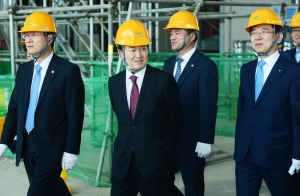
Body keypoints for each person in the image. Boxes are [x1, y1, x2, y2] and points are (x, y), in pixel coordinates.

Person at [0, 11, 85, 196]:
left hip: (52, 148)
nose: (28, 40)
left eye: (34, 34)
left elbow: (75, 115)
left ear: (50, 37)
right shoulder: (24, 71)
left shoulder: (68, 71)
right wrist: (4, 142)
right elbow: (15, 110)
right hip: (27, 145)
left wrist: (71, 150)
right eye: (26, 35)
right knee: (54, 190)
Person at [108, 19, 183, 196]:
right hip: (123, 164)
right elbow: (125, 120)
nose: (139, 55)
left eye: (143, 48)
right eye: (132, 50)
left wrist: (161, 148)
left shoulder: (163, 81)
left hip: (155, 164)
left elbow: (176, 121)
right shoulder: (114, 83)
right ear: (121, 52)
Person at [234, 8, 300, 196]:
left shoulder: (293, 72)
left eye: (264, 31)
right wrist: (239, 146)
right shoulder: (246, 69)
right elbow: (244, 111)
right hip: (245, 155)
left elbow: (297, 118)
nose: (257, 37)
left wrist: (297, 154)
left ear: (279, 37)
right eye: (254, 32)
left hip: (278, 155)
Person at [163, 10, 219, 196]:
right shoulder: (168, 64)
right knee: (160, 181)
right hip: (168, 138)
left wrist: (205, 139)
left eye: (177, 32)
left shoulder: (205, 66)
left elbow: (208, 106)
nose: (172, 37)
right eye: (171, 33)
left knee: (193, 186)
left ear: (192, 36)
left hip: (192, 140)